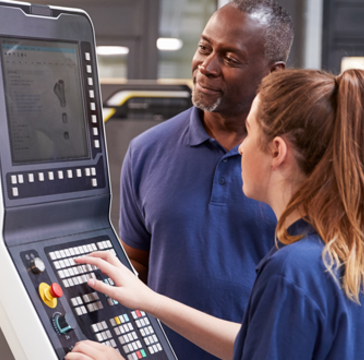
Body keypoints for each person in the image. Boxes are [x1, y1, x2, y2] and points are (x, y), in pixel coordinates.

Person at [68, 68, 364, 360]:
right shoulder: (336, 253)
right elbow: (254, 343)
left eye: (249, 132)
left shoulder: (290, 272)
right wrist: (151, 302)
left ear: (277, 152)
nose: (242, 147)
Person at [117, 1, 292, 358]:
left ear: (272, 74)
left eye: (230, 59)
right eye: (204, 47)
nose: (206, 67)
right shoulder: (145, 151)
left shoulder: (295, 163)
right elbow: (135, 266)